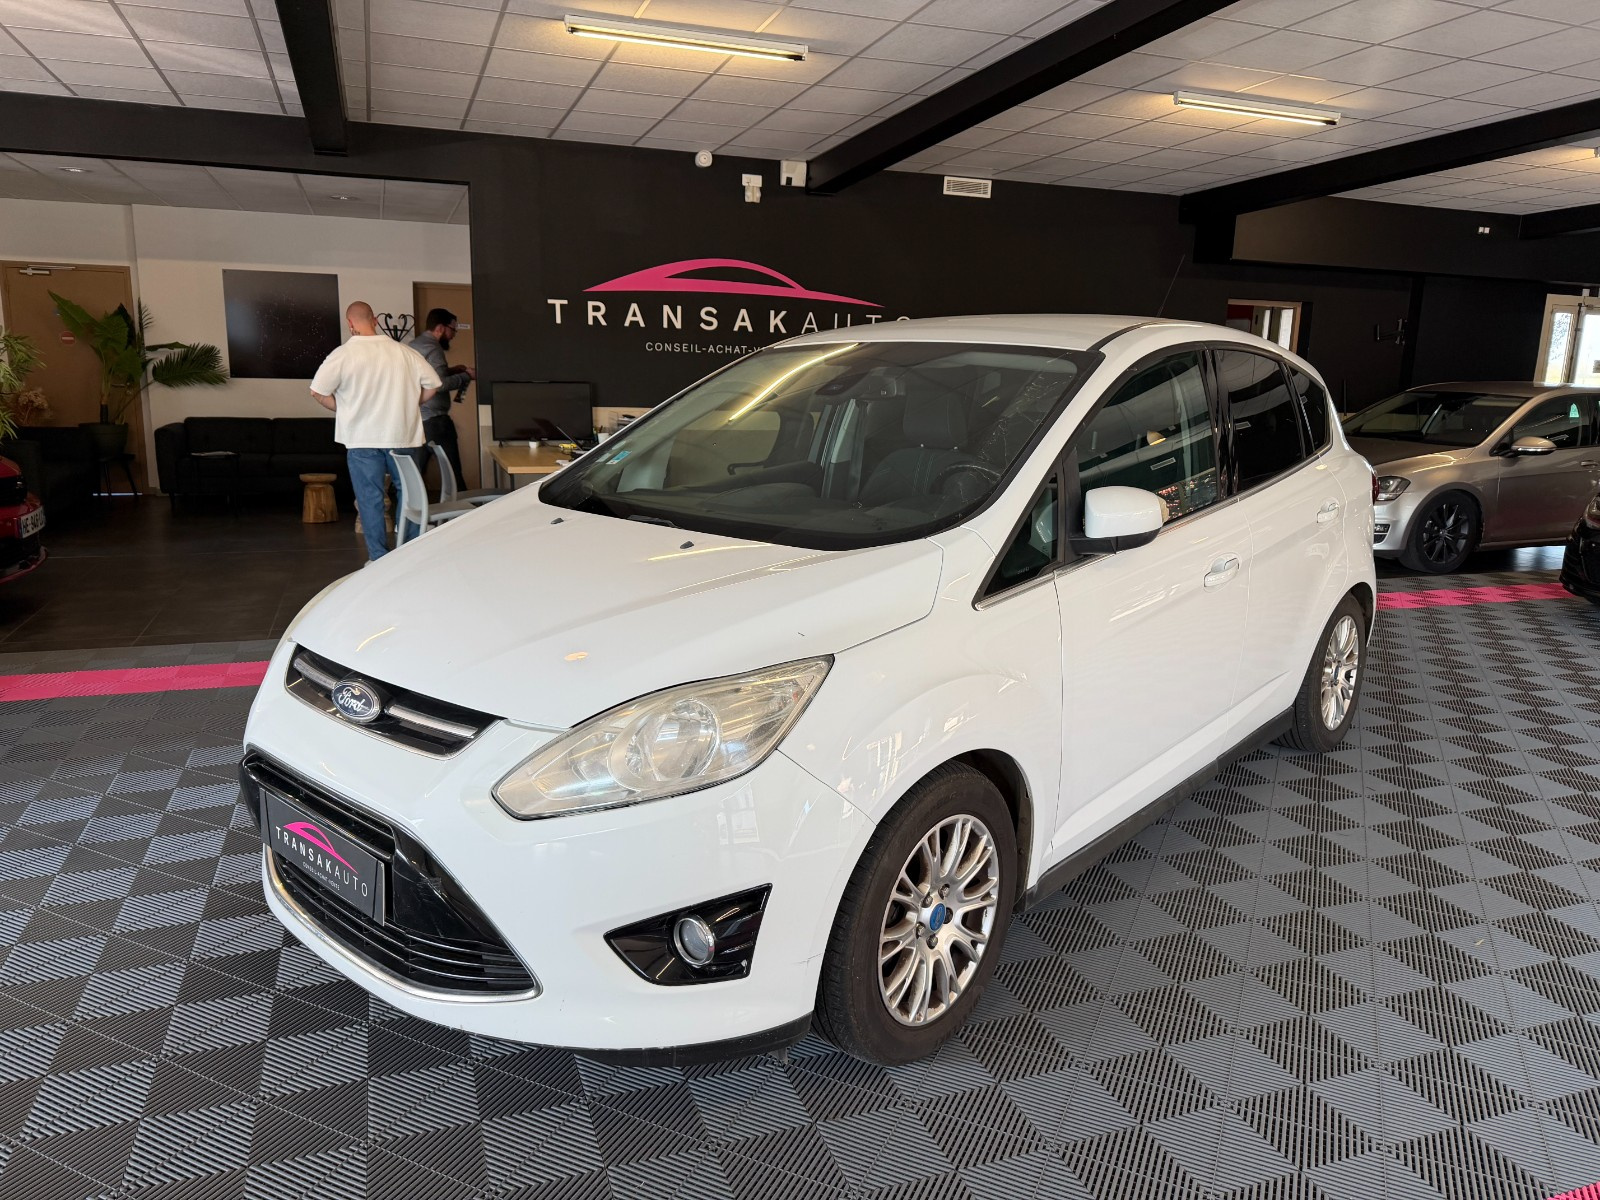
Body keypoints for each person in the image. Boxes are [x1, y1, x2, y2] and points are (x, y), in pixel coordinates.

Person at [311, 301, 441, 561]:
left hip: (361, 439)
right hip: (402, 436)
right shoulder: (403, 352)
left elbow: (317, 391)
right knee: (410, 495)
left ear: (350, 323)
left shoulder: (342, 355)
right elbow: (433, 385)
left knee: (370, 499)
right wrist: (409, 404)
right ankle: (408, 555)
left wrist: (345, 409)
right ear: (376, 320)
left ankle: (378, 559)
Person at [407, 308, 474, 490]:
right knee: (453, 475)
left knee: (414, 476)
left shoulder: (413, 346)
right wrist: (467, 376)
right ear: (441, 328)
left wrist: (452, 370)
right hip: (436, 422)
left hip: (417, 421)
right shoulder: (433, 348)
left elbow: (427, 377)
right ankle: (463, 507)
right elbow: (440, 384)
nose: (453, 335)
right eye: (453, 329)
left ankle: (412, 507)